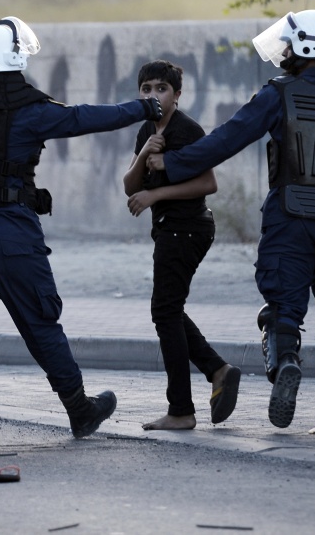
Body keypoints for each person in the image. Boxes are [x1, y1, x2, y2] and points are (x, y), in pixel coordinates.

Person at [0, 16, 163, 446]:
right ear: (11, 61)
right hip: (13, 235)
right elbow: (84, 118)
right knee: (41, 322)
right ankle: (79, 409)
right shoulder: (28, 112)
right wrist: (143, 108)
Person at [148, 10, 315, 430]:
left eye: (290, 43)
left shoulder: (279, 93)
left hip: (290, 219)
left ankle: (287, 363)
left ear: (305, 47)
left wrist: (172, 163)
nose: (285, 50)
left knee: (282, 309)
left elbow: (227, 139)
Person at [122, 60, 240, 430]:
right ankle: (217, 370)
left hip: (187, 229)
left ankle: (181, 410)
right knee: (168, 310)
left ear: (177, 95)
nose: (153, 95)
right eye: (146, 89)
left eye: (161, 88)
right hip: (170, 230)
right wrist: (145, 153)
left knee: (165, 311)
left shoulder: (187, 130)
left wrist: (157, 195)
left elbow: (208, 183)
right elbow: (129, 186)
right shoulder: (147, 130)